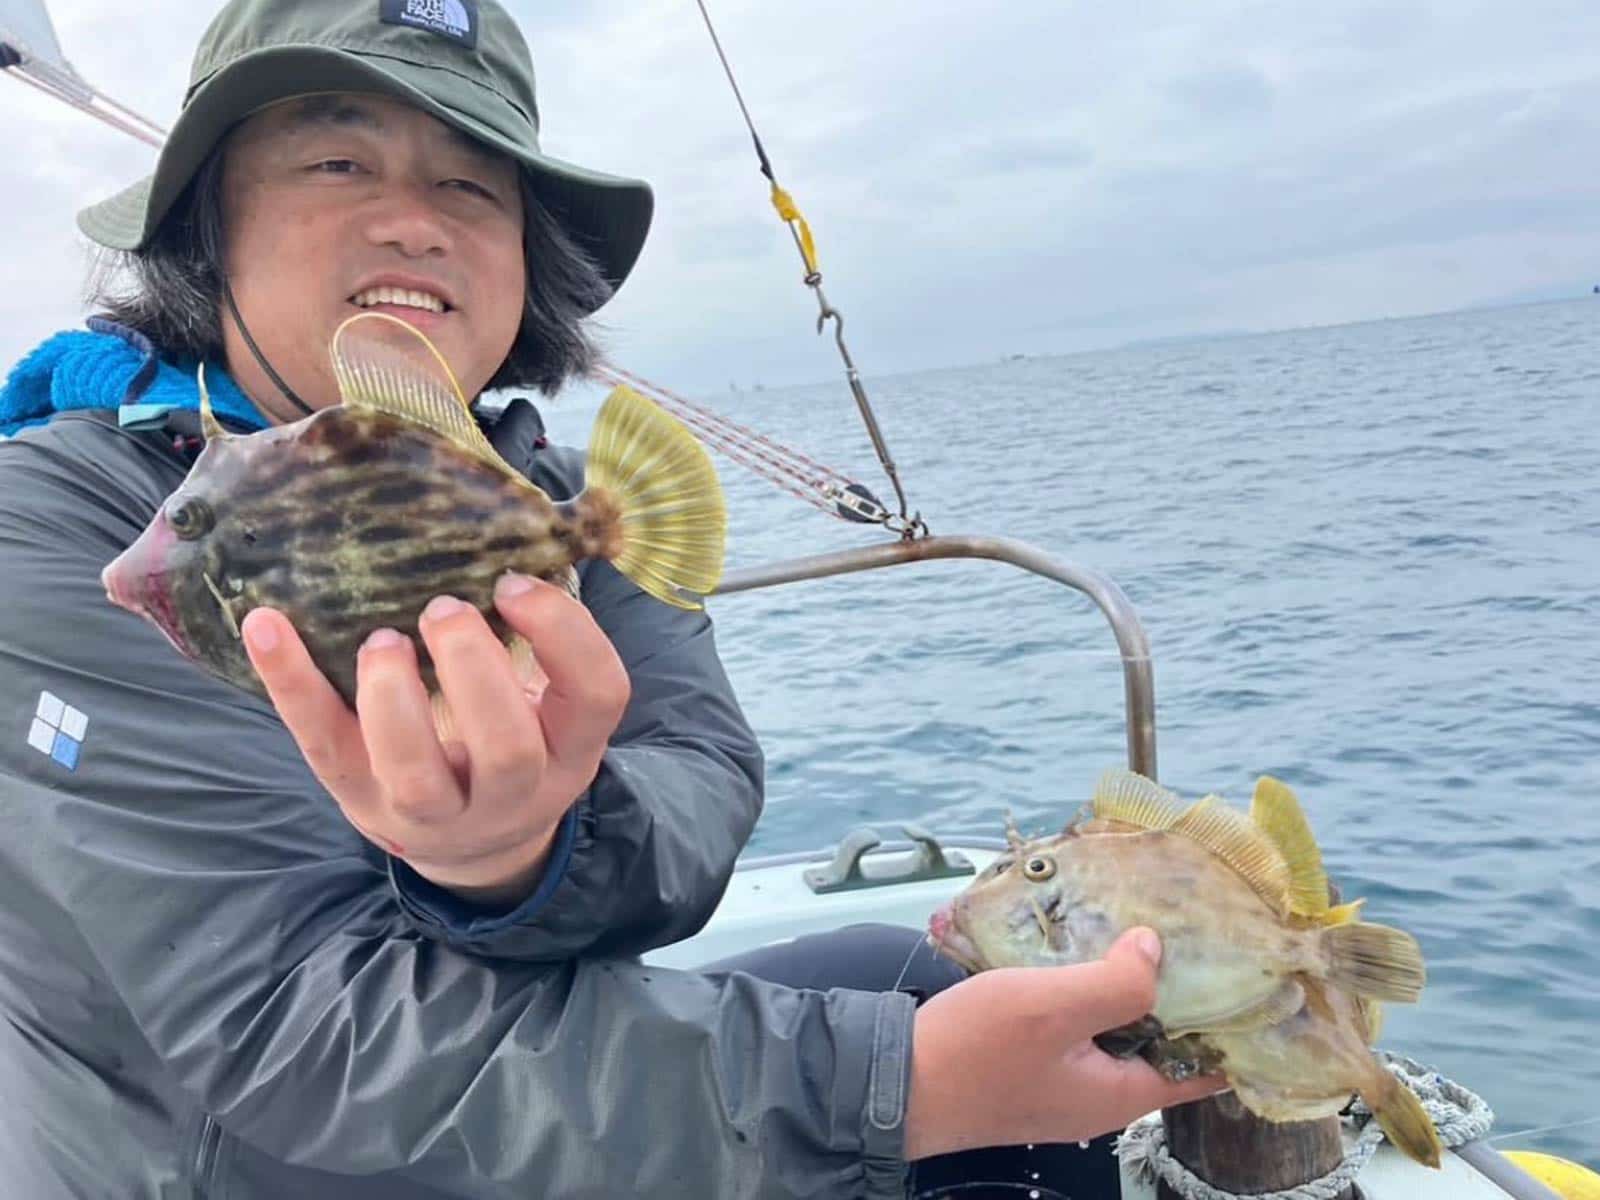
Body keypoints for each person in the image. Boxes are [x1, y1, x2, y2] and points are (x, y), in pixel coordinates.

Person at [0, 2, 1219, 1197]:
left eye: (475, 188)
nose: (414, 223)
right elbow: (285, 1017)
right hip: (239, 1158)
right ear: (202, 230)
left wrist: (525, 854)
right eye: (335, 158)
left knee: (934, 993)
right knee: (910, 1071)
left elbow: (696, 770)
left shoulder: (551, 504)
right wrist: (891, 1091)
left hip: (527, 1088)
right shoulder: (47, 522)